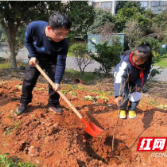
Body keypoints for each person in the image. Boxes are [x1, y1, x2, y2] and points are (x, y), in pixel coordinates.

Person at [17, 12, 72, 115]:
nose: (62, 37)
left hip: (52, 60)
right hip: (36, 57)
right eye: (59, 33)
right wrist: (33, 55)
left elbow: (60, 63)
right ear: (49, 28)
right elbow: (27, 41)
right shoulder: (34, 27)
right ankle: (24, 102)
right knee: (29, 79)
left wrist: (57, 81)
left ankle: (53, 104)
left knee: (54, 83)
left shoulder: (63, 43)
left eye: (65, 34)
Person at [114, 42, 153, 119]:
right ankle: (122, 109)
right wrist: (118, 95)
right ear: (133, 55)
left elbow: (146, 74)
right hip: (124, 81)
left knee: (135, 96)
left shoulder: (147, 64)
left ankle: (132, 109)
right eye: (136, 60)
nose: (138, 63)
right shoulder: (125, 63)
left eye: (141, 61)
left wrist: (139, 84)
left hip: (136, 82)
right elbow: (119, 77)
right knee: (124, 96)